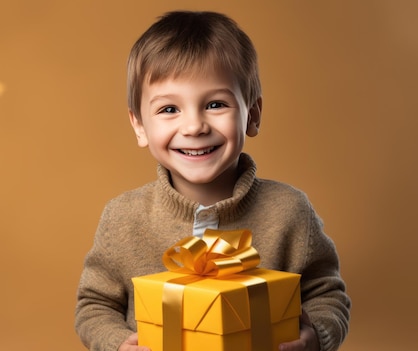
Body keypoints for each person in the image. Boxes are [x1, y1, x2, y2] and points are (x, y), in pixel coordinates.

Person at [74, 10, 350, 351]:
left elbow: (326, 295)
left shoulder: (290, 212)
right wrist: (117, 343)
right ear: (139, 126)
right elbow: (94, 306)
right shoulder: (123, 217)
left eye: (216, 104)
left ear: (252, 114)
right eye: (169, 109)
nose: (194, 127)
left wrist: (317, 336)